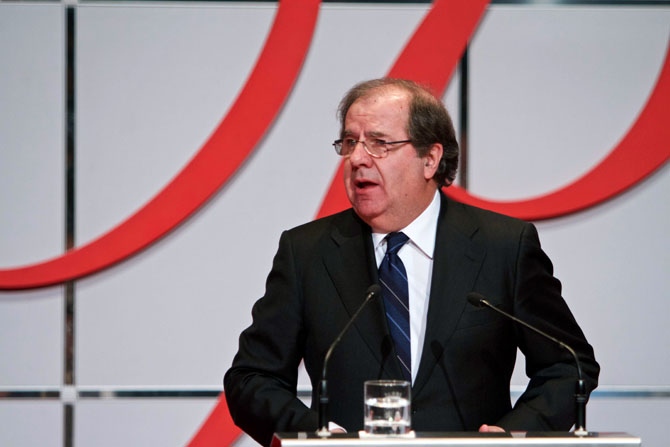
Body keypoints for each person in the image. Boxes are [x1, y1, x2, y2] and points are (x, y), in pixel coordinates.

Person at [224, 78, 599, 446]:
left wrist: (512, 436)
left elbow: (568, 365)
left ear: (430, 159)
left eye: (379, 143)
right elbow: (252, 378)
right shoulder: (307, 252)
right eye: (350, 142)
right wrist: (317, 436)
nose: (357, 159)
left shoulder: (502, 247)